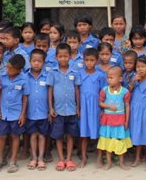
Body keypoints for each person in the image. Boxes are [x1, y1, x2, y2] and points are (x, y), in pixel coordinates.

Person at [46, 43, 81, 172]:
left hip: (71, 110)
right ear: (56, 57)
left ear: (70, 56)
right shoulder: (53, 72)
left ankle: (69, 158)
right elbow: (50, 90)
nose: (63, 59)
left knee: (71, 135)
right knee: (59, 136)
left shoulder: (75, 72)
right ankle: (61, 158)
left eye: (65, 56)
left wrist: (78, 107)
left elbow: (77, 90)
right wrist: (51, 108)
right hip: (58, 111)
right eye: (60, 56)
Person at [0, 54, 30, 173]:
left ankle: (13, 160)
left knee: (15, 136)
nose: (7, 70)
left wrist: (23, 114)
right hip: (3, 112)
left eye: (11, 69)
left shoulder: (24, 79)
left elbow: (25, 97)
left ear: (19, 71)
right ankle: (0, 159)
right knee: (1, 136)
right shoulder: (2, 76)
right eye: (7, 67)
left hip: (16, 113)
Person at [97, 66, 132, 171]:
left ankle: (121, 163)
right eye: (108, 77)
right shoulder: (104, 90)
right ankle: (109, 163)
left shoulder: (125, 91)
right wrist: (109, 106)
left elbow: (127, 106)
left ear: (120, 79)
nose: (109, 80)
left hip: (120, 120)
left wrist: (127, 120)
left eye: (112, 78)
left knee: (120, 140)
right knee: (108, 141)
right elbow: (100, 103)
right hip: (108, 120)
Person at [78, 48, 106, 169]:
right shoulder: (79, 74)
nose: (89, 63)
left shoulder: (101, 75)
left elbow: (104, 93)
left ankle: (99, 158)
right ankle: (84, 158)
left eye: (92, 60)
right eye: (87, 60)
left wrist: (103, 110)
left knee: (98, 133)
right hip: (83, 107)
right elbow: (76, 91)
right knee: (83, 134)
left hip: (96, 107)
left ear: (97, 61)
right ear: (83, 60)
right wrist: (78, 108)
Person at [25, 49, 51, 171]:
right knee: (33, 135)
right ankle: (34, 157)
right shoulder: (25, 76)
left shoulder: (47, 76)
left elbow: (51, 94)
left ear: (44, 63)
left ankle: (41, 157)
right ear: (30, 62)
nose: (36, 63)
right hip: (30, 112)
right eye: (34, 61)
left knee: (41, 135)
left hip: (43, 111)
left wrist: (50, 110)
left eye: (39, 61)